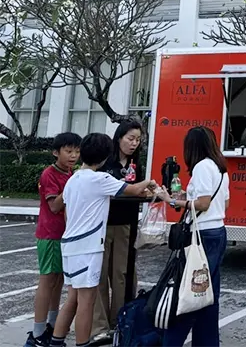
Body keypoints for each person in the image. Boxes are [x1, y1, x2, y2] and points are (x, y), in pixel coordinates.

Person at [49, 134, 154, 347]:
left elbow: (67, 211)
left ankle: (56, 341)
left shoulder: (74, 179)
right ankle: (82, 343)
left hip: (70, 244)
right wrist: (150, 182)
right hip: (88, 247)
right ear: (105, 158)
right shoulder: (100, 179)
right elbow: (134, 189)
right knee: (86, 302)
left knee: (73, 298)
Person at [155, 126, 230, 347]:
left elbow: (203, 204)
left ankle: (171, 342)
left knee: (190, 291)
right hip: (218, 231)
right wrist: (186, 197)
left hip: (202, 235)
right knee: (208, 295)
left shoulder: (201, 167)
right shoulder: (220, 167)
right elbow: (224, 203)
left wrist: (171, 200)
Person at [25, 133, 82, 347]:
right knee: (47, 281)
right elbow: (55, 206)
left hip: (65, 235)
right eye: (69, 151)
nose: (73, 155)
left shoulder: (70, 173)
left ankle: (51, 325)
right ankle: (37, 333)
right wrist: (73, 185)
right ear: (56, 152)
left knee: (58, 281)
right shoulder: (50, 174)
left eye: (77, 151)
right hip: (50, 235)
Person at [92, 120, 143, 340]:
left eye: (138, 140)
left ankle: (121, 321)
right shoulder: (105, 161)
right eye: (130, 138)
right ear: (119, 137)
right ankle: (99, 327)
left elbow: (137, 190)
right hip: (103, 224)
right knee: (100, 275)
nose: (134, 144)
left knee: (123, 274)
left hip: (126, 224)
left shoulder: (135, 164)